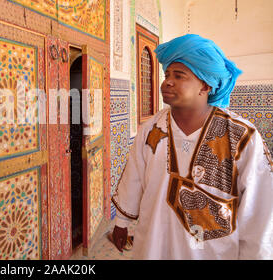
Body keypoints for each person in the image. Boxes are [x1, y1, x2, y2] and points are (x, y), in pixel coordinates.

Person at [111, 34, 273, 259]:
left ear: (205, 85)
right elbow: (134, 179)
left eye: (179, 76)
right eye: (167, 74)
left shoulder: (242, 136)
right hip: (153, 246)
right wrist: (122, 222)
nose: (167, 81)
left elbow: (260, 209)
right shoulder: (151, 130)